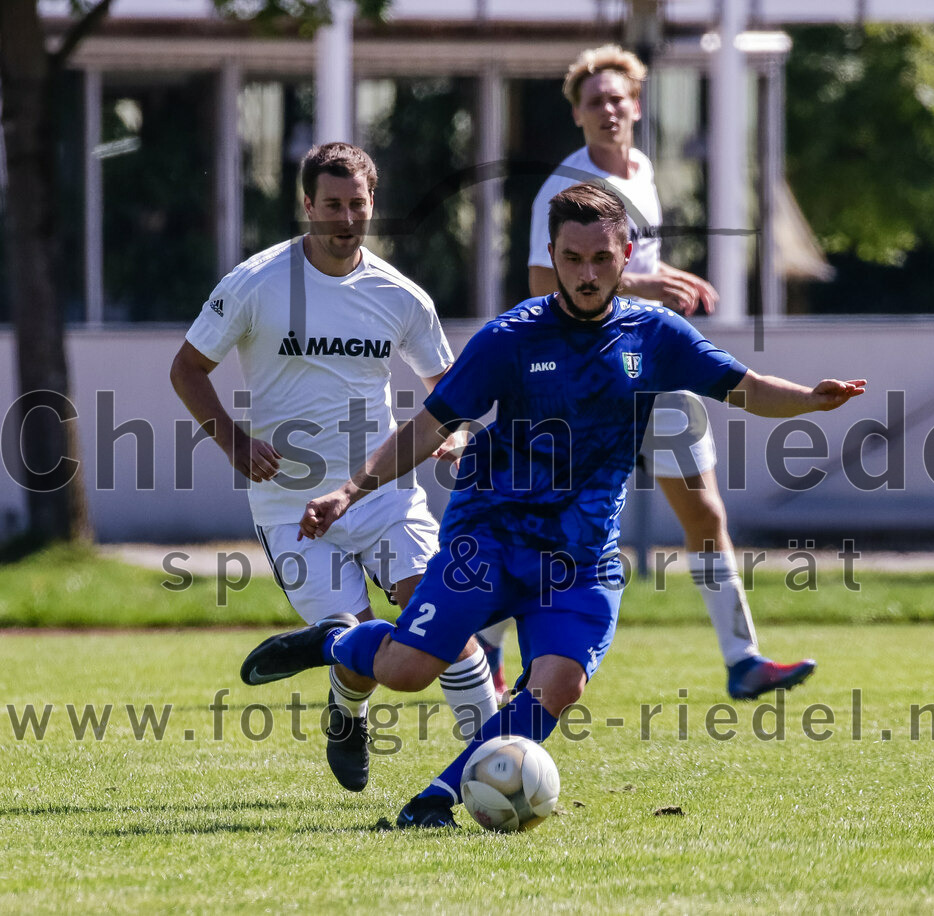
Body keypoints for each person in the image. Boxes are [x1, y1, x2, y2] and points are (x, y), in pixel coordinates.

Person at [239, 183, 866, 828]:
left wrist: (810, 400)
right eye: (572, 259)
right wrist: (350, 490)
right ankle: (340, 642)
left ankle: (437, 799)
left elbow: (747, 388)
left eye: (600, 258)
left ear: (626, 253)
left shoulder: (655, 336)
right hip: (488, 537)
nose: (587, 274)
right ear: (552, 256)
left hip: (580, 555)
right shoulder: (510, 338)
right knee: (406, 671)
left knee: (559, 685)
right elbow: (428, 425)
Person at [475, 44, 814, 702]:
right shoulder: (565, 189)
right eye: (595, 100)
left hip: (648, 365)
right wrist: (649, 283)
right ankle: (484, 646)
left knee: (704, 511)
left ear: (636, 104)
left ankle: (743, 659)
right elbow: (544, 283)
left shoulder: (642, 169)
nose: (608, 109)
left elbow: (623, 278)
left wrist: (646, 293)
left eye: (618, 98)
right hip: (583, 378)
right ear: (576, 112)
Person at [170, 142, 496, 793]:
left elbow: (449, 389)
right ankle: (347, 715)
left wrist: (455, 434)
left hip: (382, 492)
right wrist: (234, 442)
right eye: (331, 206)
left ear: (372, 205)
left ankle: (498, 760)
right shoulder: (256, 282)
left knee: (441, 618)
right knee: (356, 642)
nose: (345, 219)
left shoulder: (399, 296)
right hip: (289, 504)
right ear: (307, 206)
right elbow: (187, 370)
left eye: (357, 205)